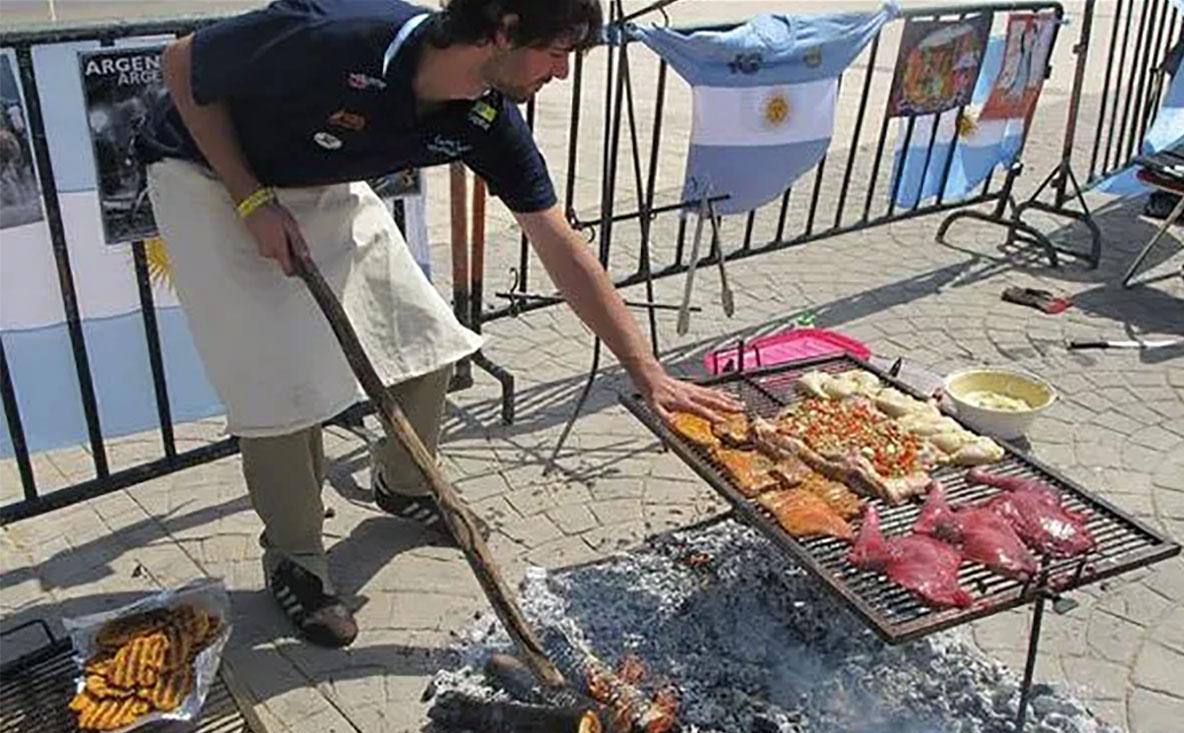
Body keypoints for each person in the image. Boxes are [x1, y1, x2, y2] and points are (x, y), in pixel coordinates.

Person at [136, 0, 740, 648]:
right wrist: (251, 200)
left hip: (314, 178)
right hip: (206, 171)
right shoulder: (336, 33)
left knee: (424, 340)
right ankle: (296, 560)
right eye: (557, 52)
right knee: (278, 389)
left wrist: (646, 371)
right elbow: (181, 64)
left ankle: (401, 482)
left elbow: (558, 240)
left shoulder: (483, 116)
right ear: (503, 29)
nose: (563, 74)